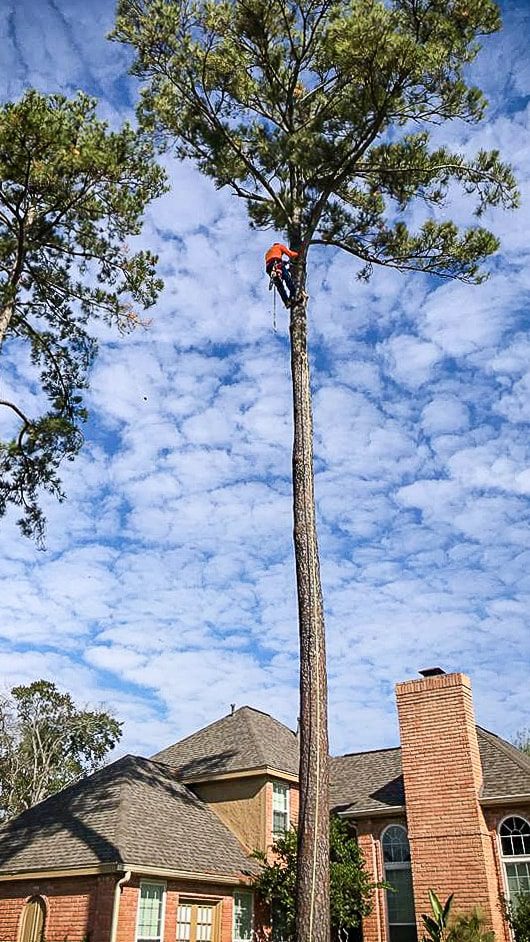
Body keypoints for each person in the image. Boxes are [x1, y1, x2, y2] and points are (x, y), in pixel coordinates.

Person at [265, 242, 299, 308]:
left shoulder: (268, 252)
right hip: (277, 264)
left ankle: (286, 302)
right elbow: (290, 254)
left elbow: (271, 259)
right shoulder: (279, 246)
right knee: (288, 279)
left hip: (269, 268)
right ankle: (293, 295)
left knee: (279, 286)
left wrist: (284, 262)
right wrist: (298, 254)